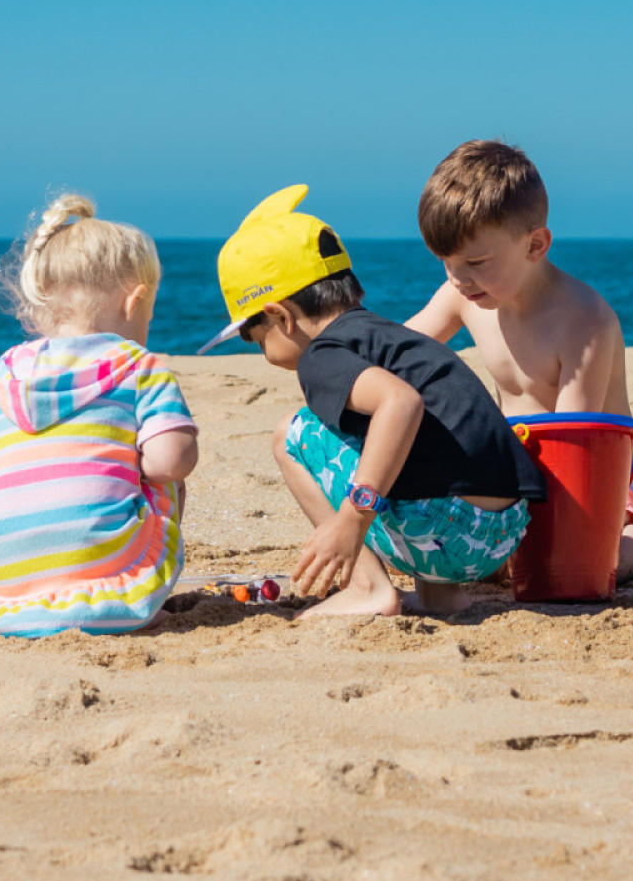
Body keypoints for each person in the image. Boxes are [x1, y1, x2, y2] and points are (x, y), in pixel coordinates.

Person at [199, 185, 545, 616]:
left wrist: (353, 516)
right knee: (396, 442)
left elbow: (401, 403)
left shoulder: (321, 358)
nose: (264, 354)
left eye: (256, 340)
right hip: (507, 530)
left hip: (448, 531)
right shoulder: (390, 338)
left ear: (280, 316)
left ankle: (368, 588)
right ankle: (440, 595)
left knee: (292, 433)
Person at [404, 140, 633, 580]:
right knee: (483, 558)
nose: (458, 278)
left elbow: (576, 446)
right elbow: (399, 350)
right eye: (445, 262)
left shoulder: (582, 320)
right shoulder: (464, 297)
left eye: (476, 262)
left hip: (597, 471)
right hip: (510, 472)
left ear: (535, 245)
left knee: (580, 564)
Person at [0, 194, 199, 637]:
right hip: (107, 582)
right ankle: (139, 596)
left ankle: (23, 581)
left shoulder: (1, 376)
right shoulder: (139, 365)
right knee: (167, 481)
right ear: (134, 302)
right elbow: (170, 461)